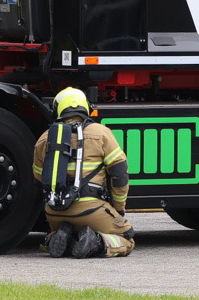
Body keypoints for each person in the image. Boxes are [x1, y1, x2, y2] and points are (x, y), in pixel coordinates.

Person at [33, 87, 134, 258]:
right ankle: (96, 242)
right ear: (86, 107)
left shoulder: (45, 137)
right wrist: (118, 209)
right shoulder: (101, 133)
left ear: (57, 109)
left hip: (55, 212)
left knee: (63, 234)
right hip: (91, 210)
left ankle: (57, 238)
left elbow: (38, 178)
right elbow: (120, 173)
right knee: (127, 238)